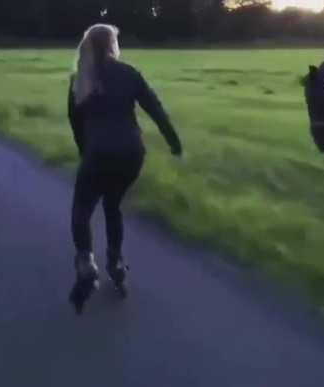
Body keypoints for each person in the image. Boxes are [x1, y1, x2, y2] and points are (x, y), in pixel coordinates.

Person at [68, 24, 182, 314]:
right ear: (112, 45)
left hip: (98, 154)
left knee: (82, 207)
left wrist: (86, 153)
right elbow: (155, 109)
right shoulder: (129, 73)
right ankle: (116, 263)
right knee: (113, 205)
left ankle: (86, 263)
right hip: (131, 155)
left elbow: (76, 124)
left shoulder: (80, 78)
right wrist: (174, 142)